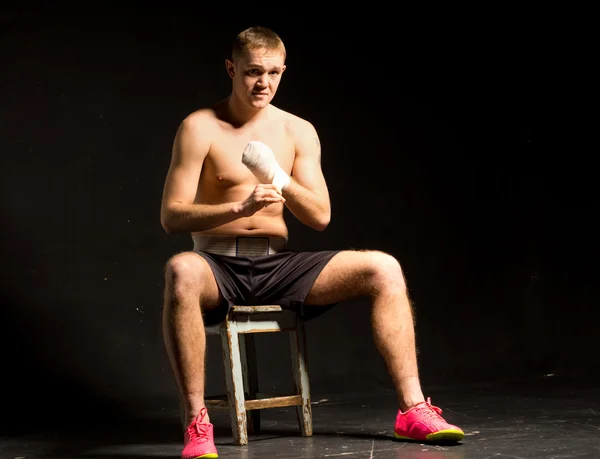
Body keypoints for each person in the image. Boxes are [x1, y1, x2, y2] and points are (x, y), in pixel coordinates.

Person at [160, 25, 464, 459]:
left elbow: (319, 217)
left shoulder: (298, 131)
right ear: (231, 69)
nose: (263, 82)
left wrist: (277, 178)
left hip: (276, 266)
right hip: (216, 265)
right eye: (251, 72)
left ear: (283, 71)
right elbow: (171, 216)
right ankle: (196, 421)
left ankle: (412, 410)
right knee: (180, 269)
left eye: (273, 72)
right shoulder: (199, 126)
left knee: (384, 268)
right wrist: (237, 209)